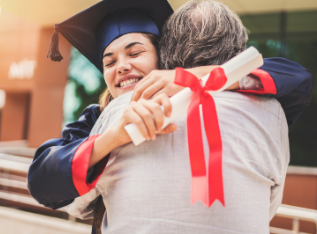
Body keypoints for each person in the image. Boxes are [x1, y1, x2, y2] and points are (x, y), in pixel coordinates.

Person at [27, 0, 313, 232]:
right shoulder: (99, 117)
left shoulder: (209, 94)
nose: (122, 67)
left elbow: (293, 75)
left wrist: (193, 78)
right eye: (110, 61)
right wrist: (112, 138)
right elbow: (43, 177)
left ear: (165, 58)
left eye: (135, 52)